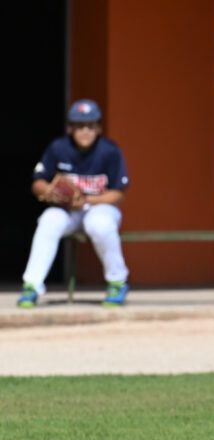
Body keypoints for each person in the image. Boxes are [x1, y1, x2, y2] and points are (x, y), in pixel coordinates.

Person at [17, 99, 130, 308]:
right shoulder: (58, 148)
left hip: (98, 208)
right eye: (79, 126)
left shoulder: (110, 150)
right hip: (66, 210)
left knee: (101, 224)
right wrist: (49, 191)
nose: (85, 131)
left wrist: (86, 200)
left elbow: (118, 193)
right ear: (70, 128)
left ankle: (117, 281)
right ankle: (31, 285)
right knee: (48, 220)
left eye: (90, 125)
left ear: (98, 128)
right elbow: (38, 182)